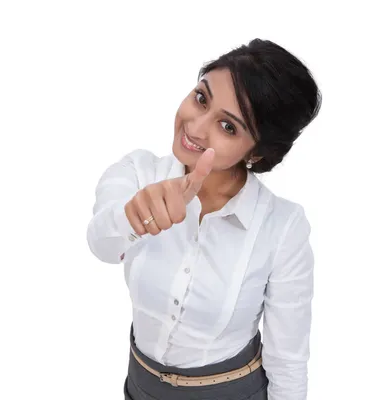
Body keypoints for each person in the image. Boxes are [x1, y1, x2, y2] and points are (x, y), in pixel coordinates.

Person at [86, 38, 322, 400]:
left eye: (228, 127)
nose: (195, 128)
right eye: (201, 98)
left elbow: (287, 360)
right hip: (140, 386)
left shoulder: (283, 228)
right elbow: (100, 243)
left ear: (257, 152)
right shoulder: (137, 171)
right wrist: (134, 216)